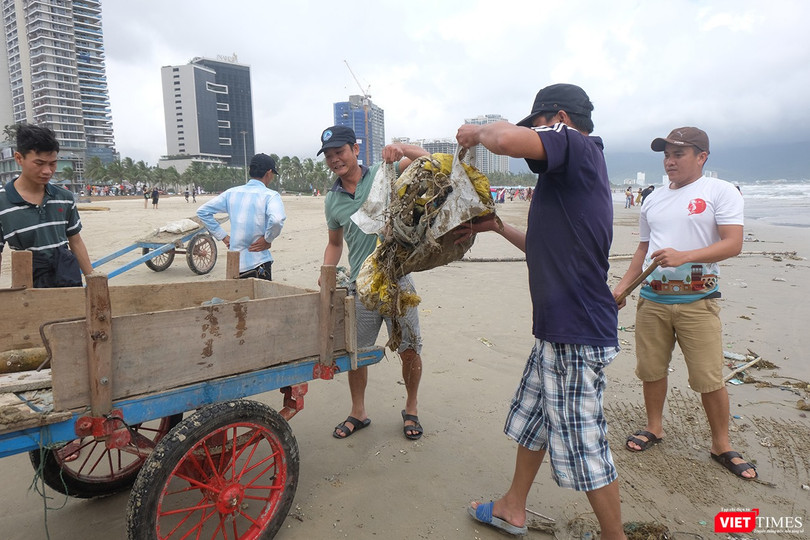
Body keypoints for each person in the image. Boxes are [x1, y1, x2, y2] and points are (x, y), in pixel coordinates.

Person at [455, 84, 625, 538]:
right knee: (534, 419)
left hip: (576, 330)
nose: (534, 133)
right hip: (558, 328)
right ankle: (513, 506)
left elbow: (505, 140)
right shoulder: (568, 176)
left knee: (584, 444)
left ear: (560, 119)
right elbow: (544, 249)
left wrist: (476, 131)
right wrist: (497, 226)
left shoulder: (577, 145)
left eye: (538, 124)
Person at [612, 127, 754, 479]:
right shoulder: (653, 198)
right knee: (651, 370)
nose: (669, 161)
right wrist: (623, 287)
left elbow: (733, 243)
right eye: (666, 155)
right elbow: (643, 249)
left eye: (678, 154)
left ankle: (721, 444)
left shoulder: (720, 191)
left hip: (699, 301)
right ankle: (654, 427)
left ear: (702, 156)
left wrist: (684, 256)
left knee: (708, 376)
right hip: (652, 300)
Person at [318, 125, 430, 441]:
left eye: (339, 152)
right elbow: (335, 244)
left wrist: (402, 148)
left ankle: (411, 407)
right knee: (357, 353)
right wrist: (326, 272)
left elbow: (429, 161)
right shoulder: (332, 200)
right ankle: (358, 411)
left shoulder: (386, 172)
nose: (334, 159)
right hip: (361, 286)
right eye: (328, 155)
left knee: (409, 349)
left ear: (355, 149)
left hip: (398, 280)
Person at [0, 124, 93, 288]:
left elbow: (75, 241)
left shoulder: (64, 198)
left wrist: (92, 279)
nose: (47, 171)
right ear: (19, 158)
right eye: (39, 163)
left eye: (52, 164)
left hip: (67, 277)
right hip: (28, 282)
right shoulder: (3, 202)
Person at [196, 153, 286, 280]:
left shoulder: (231, 193)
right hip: (258, 261)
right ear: (269, 172)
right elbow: (277, 219)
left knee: (237, 293)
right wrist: (267, 239)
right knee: (259, 293)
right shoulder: (270, 195)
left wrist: (223, 236)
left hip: (235, 263)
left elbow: (202, 211)